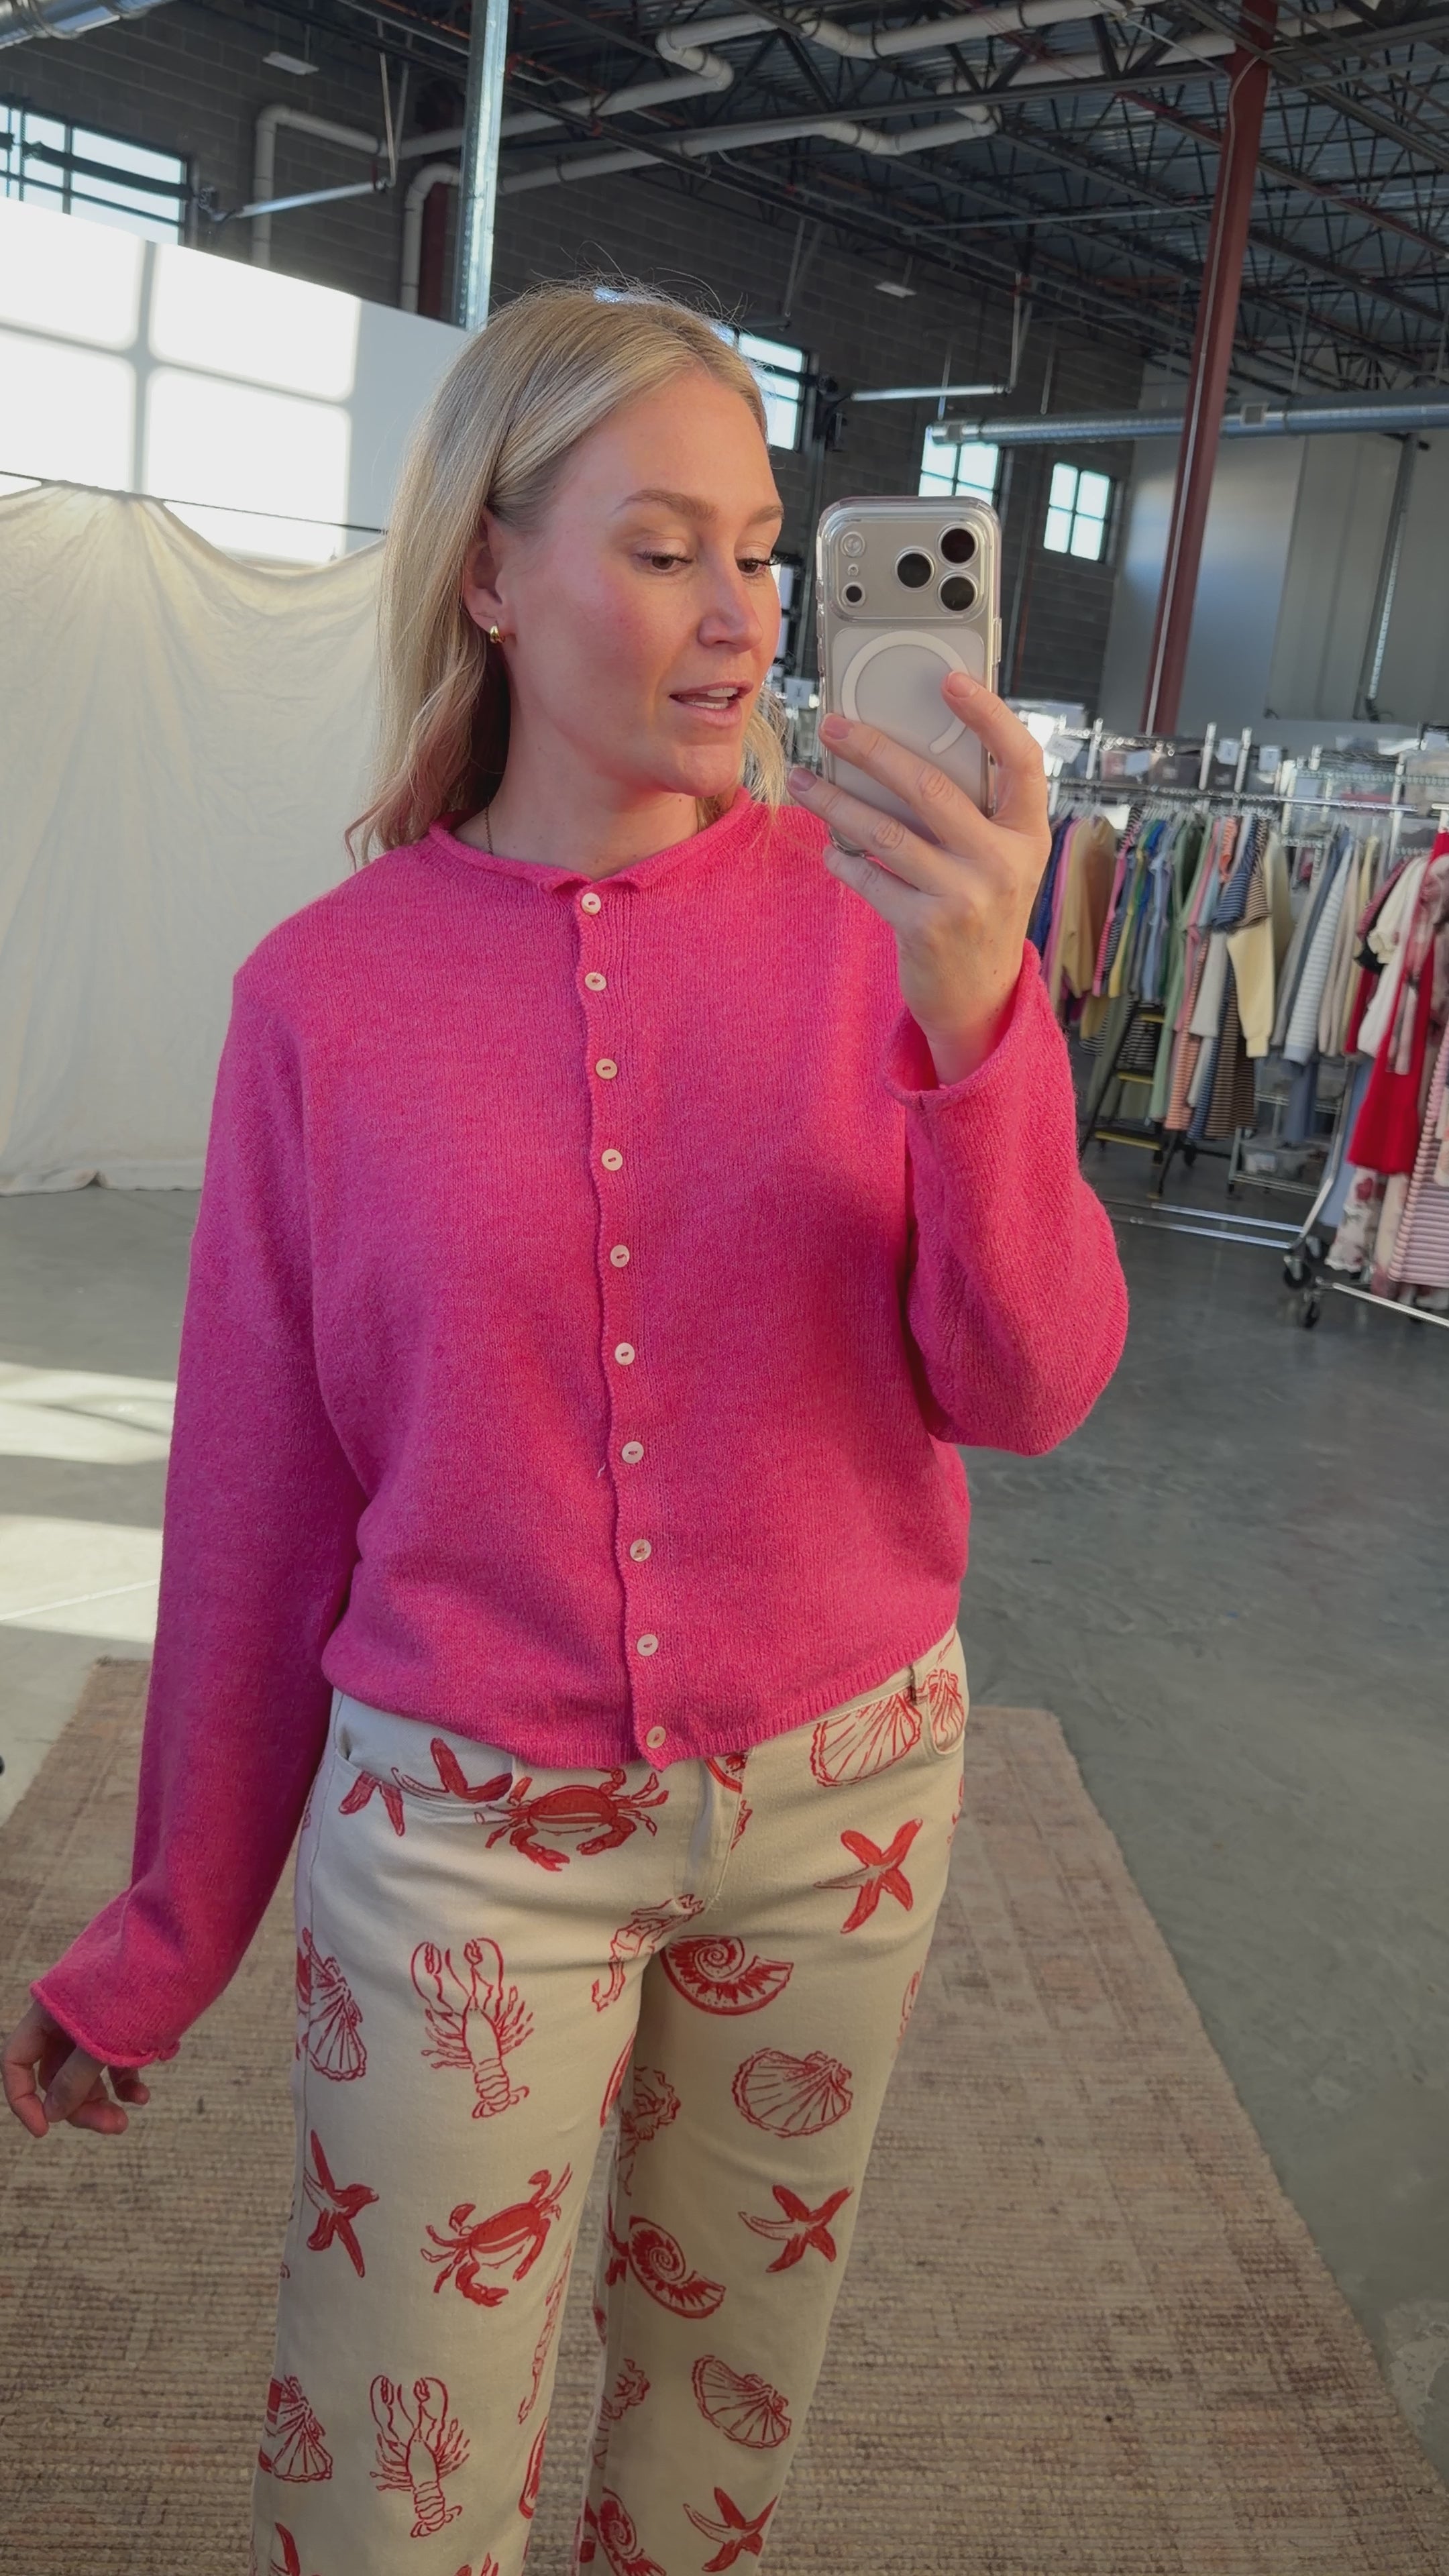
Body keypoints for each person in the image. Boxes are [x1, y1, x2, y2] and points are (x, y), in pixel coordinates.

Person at [2, 281, 1128, 2574]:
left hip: (849, 1807)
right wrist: (166, 1930)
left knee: (716, 2445)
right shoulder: (322, 1004)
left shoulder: (899, 927)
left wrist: (980, 1015)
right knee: (387, 2476)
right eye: (663, 549)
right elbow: (255, 1511)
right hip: (460, 1836)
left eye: (764, 551)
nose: (741, 617)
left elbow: (1031, 1387)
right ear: (492, 575)